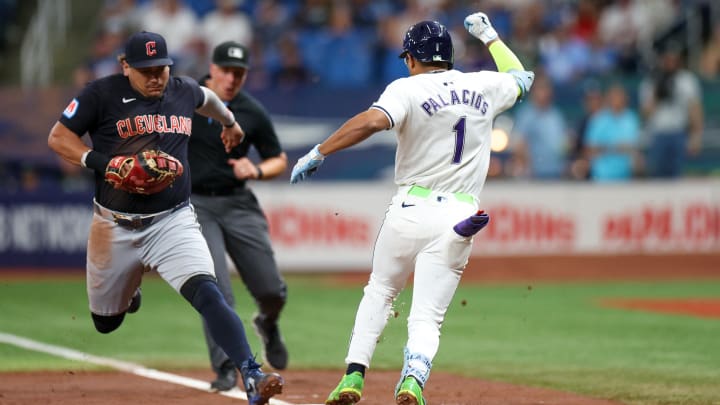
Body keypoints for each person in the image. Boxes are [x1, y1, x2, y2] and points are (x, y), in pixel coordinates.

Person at [290, 14, 534, 405]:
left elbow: (371, 122)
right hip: (460, 216)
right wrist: (489, 36)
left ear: (411, 58)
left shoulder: (406, 88)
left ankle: (353, 377)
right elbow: (522, 78)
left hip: (411, 207)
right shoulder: (483, 84)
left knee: (381, 291)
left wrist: (321, 150)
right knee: (427, 315)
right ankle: (413, 381)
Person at [46, 31, 283, 405]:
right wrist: (106, 163)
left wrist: (230, 123)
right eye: (146, 70)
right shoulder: (100, 94)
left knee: (210, 293)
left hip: (172, 222)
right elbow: (58, 137)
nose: (156, 77)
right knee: (106, 323)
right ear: (125, 67)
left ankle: (251, 373)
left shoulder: (183, 90)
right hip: (114, 225)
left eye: (161, 69)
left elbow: (210, 101)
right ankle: (128, 291)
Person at [188, 40, 289, 391]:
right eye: (227, 71)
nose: (232, 78)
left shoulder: (251, 110)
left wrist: (257, 171)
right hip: (196, 206)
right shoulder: (188, 100)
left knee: (271, 289)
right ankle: (227, 367)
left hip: (238, 202)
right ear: (211, 69)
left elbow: (278, 158)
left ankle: (268, 322)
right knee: (214, 288)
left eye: (240, 73)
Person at [639, 43, 703, 178]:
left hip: (679, 133)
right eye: (667, 59)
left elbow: (695, 110)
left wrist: (696, 137)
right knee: (657, 175)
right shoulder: (651, 81)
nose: (670, 63)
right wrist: (658, 93)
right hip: (657, 134)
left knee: (678, 176)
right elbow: (645, 113)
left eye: (673, 59)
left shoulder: (687, 80)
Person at [584, 83, 642, 182]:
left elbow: (634, 146)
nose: (617, 100)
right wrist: (615, 147)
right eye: (614, 97)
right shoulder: (599, 119)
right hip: (602, 177)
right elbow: (590, 149)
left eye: (620, 97)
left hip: (626, 177)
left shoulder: (631, 118)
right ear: (608, 99)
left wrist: (607, 148)